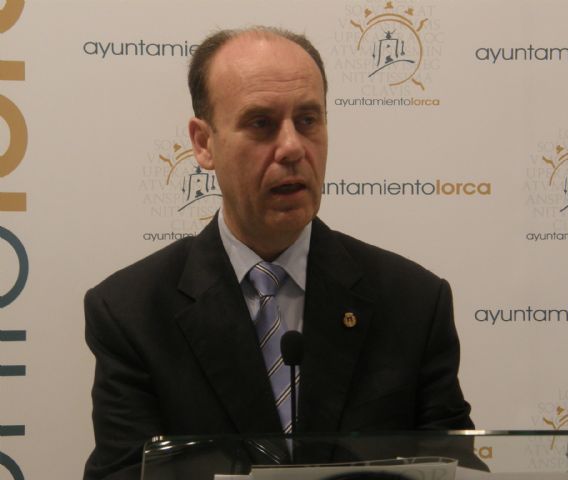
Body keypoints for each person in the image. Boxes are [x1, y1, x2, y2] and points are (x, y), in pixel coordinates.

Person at [84, 26, 474, 480]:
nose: (291, 147)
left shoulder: (413, 302)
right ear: (204, 143)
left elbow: (457, 467)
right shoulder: (131, 313)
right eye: (261, 123)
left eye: (307, 120)